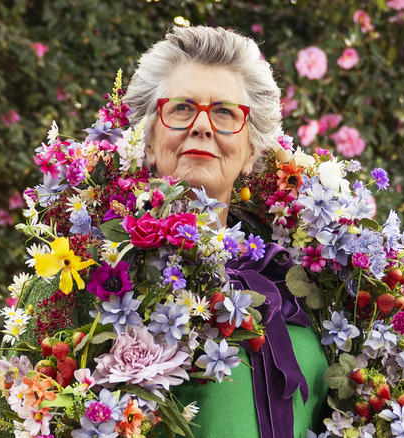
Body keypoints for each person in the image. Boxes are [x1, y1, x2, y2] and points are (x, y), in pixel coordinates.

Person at [123, 26, 328, 438]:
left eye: (225, 112)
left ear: (251, 151)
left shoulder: (305, 305)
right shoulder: (97, 286)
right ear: (147, 140)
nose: (202, 126)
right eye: (181, 108)